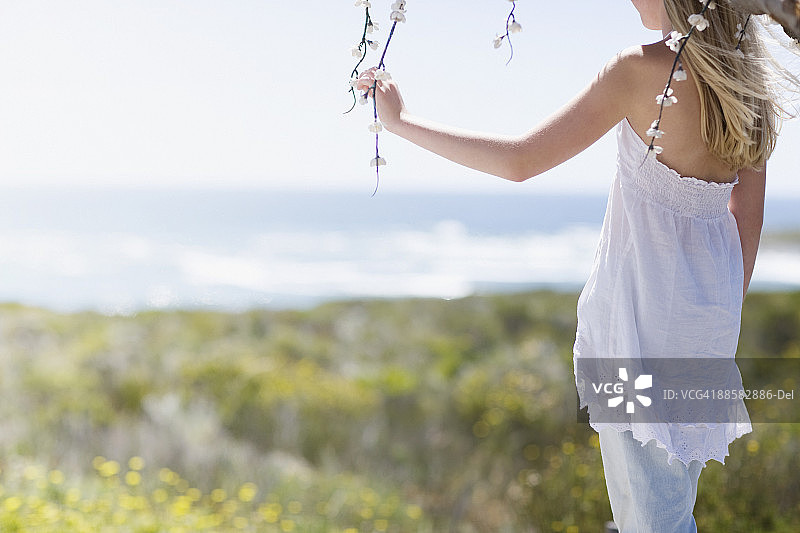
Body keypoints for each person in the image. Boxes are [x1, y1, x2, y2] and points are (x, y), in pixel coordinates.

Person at [356, 0, 799, 531]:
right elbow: (746, 220)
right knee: (666, 509)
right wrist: (715, 319)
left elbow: (520, 161)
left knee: (652, 520)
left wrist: (400, 123)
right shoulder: (745, 81)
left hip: (634, 334)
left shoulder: (637, 71)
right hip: (705, 327)